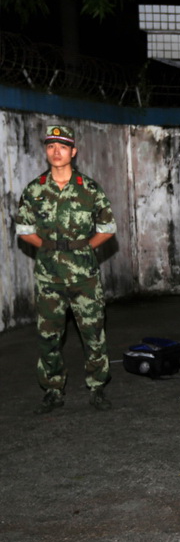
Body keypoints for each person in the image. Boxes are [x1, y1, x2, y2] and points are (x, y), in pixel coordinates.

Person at [15, 125, 117, 413]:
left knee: (93, 332)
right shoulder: (35, 190)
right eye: (50, 146)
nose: (56, 151)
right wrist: (49, 248)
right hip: (49, 276)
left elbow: (108, 228)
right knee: (48, 335)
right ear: (46, 151)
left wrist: (83, 248)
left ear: (73, 151)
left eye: (62, 146)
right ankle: (52, 389)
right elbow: (24, 230)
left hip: (84, 276)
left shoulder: (89, 189)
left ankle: (97, 387)